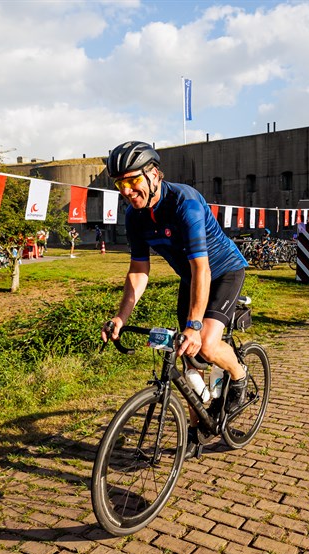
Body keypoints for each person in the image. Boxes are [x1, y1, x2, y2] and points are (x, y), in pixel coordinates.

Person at [100, 140, 250, 459]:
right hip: (192, 278)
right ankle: (196, 427)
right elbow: (139, 271)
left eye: (132, 180)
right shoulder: (134, 216)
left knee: (206, 344)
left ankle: (238, 375)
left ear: (154, 174)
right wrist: (121, 317)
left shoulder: (185, 203)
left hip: (222, 271)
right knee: (186, 358)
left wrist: (195, 326)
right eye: (119, 183)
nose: (126, 190)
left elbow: (202, 268)